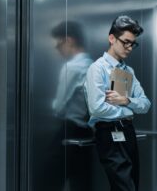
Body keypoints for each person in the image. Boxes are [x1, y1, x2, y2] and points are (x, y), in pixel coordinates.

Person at [85, 15, 151, 191]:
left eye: (133, 44)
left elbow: (145, 104)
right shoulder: (97, 69)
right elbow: (97, 108)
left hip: (128, 131)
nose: (129, 48)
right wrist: (128, 110)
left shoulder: (129, 71)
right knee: (125, 188)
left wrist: (125, 100)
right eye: (126, 42)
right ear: (112, 38)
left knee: (132, 184)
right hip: (108, 132)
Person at [51, 21, 94, 190]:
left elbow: (59, 107)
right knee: (82, 182)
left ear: (69, 40)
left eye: (58, 43)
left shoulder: (72, 67)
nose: (57, 48)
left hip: (69, 129)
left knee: (47, 178)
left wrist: (52, 104)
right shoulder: (93, 65)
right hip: (87, 132)